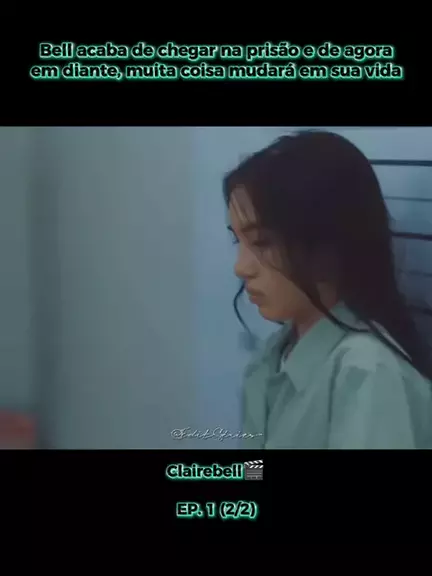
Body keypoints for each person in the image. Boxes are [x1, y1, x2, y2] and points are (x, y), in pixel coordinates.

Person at [223, 130, 432, 449]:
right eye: (238, 241)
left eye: (262, 242)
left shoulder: (367, 373)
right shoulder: (270, 358)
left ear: (326, 245)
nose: (241, 267)